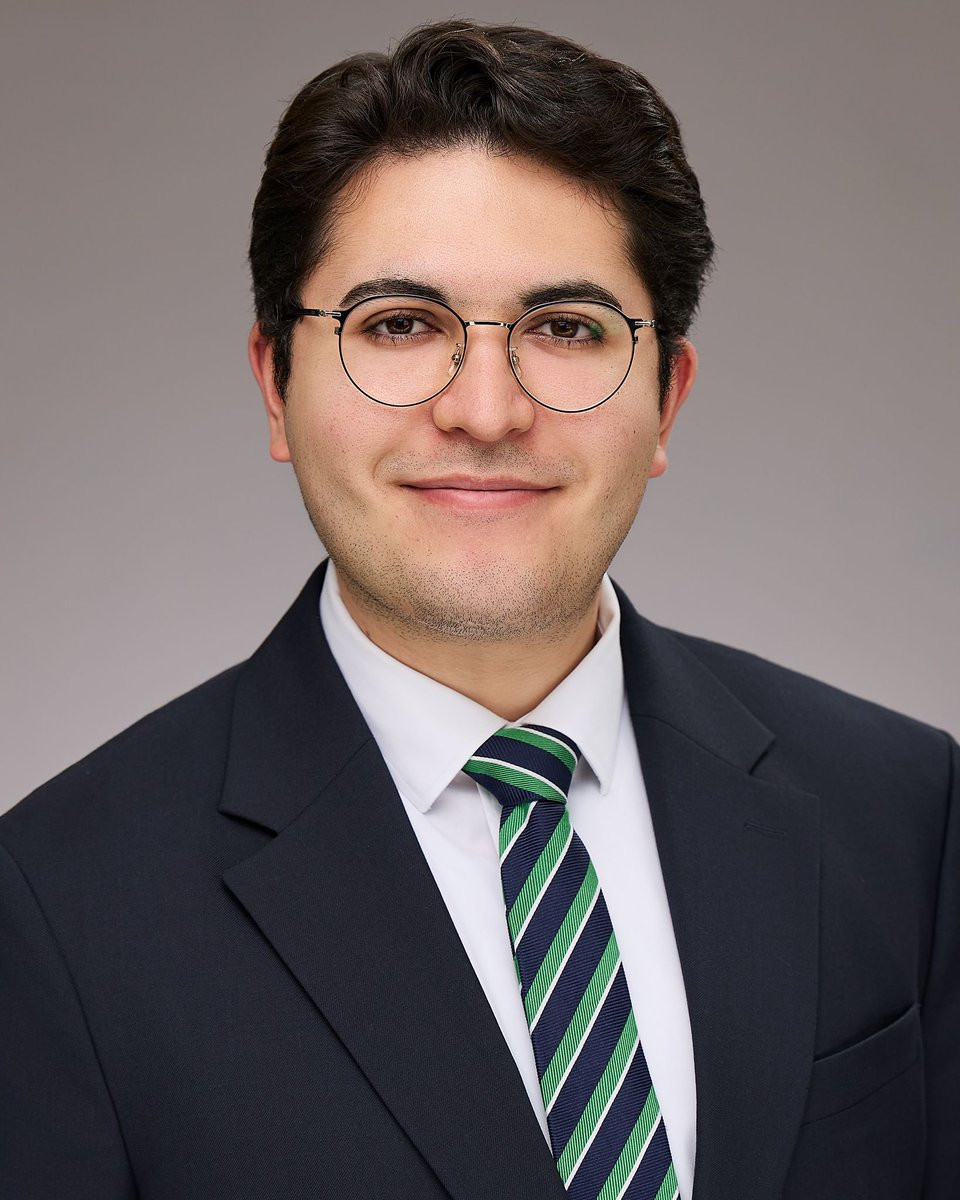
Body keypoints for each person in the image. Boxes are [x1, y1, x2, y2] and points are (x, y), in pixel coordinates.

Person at [1, 18, 956, 1200]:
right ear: (276, 386)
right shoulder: (55, 908)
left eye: (566, 329)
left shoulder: (904, 816)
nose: (488, 410)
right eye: (400, 324)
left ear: (666, 401)